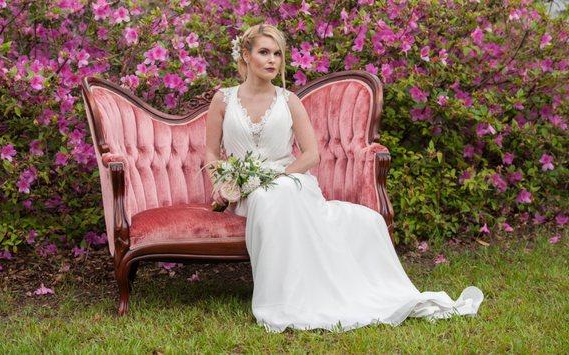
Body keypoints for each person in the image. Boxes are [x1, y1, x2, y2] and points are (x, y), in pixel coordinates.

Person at [204, 23, 484, 333]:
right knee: (266, 197)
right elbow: (211, 154)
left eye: (278, 54)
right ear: (246, 55)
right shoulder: (224, 100)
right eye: (264, 52)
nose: (272, 60)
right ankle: (283, 296)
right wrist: (223, 184)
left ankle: (302, 299)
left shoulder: (289, 101)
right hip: (242, 191)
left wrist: (276, 177)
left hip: (290, 180)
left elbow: (311, 155)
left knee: (279, 194)